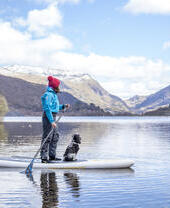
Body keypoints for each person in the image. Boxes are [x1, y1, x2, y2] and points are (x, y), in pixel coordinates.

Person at [41, 76, 70, 163]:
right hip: (48, 117)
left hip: (53, 117)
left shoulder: (53, 94)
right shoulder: (48, 95)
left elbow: (55, 107)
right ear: (54, 86)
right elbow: (47, 109)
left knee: (55, 136)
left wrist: (63, 106)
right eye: (58, 86)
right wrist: (52, 121)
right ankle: (44, 157)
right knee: (47, 137)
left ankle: (52, 156)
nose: (59, 87)